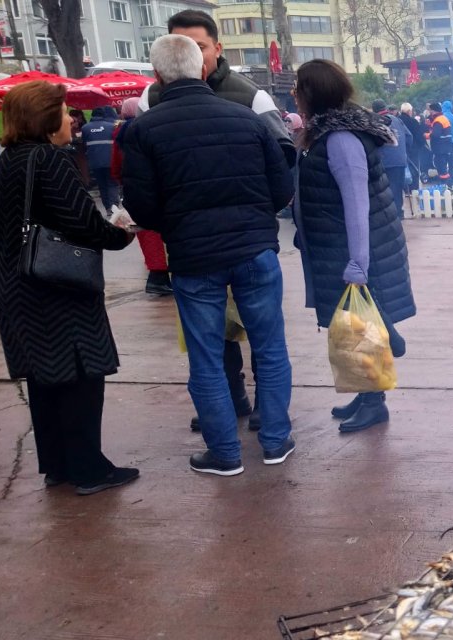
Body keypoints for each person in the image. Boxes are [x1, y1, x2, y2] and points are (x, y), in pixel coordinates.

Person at [121, 34, 296, 476]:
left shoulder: (143, 129)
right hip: (255, 249)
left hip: (194, 257)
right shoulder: (246, 119)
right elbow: (282, 188)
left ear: (157, 76)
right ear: (203, 68)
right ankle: (275, 441)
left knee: (206, 355)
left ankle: (225, 453)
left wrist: (178, 222)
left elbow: (141, 205)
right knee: (270, 347)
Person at [0, 81, 137, 495]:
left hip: (13, 281)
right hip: (54, 285)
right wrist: (121, 234)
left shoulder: (7, 161)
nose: (72, 119)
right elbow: (81, 222)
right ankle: (89, 469)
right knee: (80, 375)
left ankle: (58, 466)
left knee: (45, 378)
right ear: (46, 119)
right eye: (65, 112)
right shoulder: (50, 160)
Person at [291, 59, 415, 434]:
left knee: (365, 329)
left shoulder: (341, 138)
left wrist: (358, 263)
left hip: (354, 252)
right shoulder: (324, 133)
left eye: (298, 88)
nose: (294, 95)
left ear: (313, 93)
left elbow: (357, 203)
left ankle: (375, 402)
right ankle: (365, 394)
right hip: (334, 248)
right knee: (351, 327)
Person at [138, 10, 294, 166]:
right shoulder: (150, 97)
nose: (190, 55)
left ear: (217, 49)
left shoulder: (252, 96)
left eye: (199, 47)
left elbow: (282, 156)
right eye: (181, 48)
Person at [109, 97, 173, 296]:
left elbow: (116, 167)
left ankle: (158, 276)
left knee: (146, 235)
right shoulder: (146, 128)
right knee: (155, 235)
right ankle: (159, 278)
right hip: (152, 188)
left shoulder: (119, 132)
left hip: (132, 188)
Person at [378, 100, 414, 213]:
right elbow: (409, 137)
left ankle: (390, 212)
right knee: (397, 187)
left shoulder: (374, 121)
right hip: (399, 160)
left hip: (383, 161)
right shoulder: (397, 119)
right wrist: (403, 150)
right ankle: (399, 212)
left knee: (384, 189)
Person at [81, 106, 119, 212]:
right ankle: (113, 207)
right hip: (110, 160)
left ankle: (107, 207)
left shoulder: (85, 128)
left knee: (102, 184)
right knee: (112, 183)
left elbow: (84, 144)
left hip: (94, 162)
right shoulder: (112, 126)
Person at [427, 102, 453, 185]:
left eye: (431, 111)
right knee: (448, 166)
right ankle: (450, 183)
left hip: (440, 148)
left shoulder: (438, 120)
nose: (430, 113)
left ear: (434, 111)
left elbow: (436, 134)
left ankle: (445, 185)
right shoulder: (443, 118)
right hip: (447, 147)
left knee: (441, 168)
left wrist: (427, 135)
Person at [400, 103, 426, 193]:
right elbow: (419, 136)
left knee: (404, 170)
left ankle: (405, 189)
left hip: (401, 150)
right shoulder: (413, 122)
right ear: (409, 111)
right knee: (414, 169)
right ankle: (414, 189)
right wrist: (422, 145)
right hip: (413, 149)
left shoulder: (398, 121)